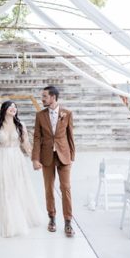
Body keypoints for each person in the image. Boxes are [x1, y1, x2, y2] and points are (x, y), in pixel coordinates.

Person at [0, 100, 41, 238]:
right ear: (4, 109)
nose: (13, 108)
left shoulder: (20, 125)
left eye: (15, 107)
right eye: (11, 106)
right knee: (5, 188)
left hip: (17, 159)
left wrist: (35, 160)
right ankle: (7, 221)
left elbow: (27, 145)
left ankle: (20, 217)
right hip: (2, 159)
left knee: (17, 187)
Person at [32, 85, 76, 238]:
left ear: (53, 97)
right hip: (46, 157)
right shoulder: (40, 115)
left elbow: (70, 136)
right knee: (49, 188)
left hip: (64, 156)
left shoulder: (67, 114)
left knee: (66, 188)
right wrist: (35, 159)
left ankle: (68, 221)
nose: (42, 99)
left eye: (44, 96)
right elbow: (37, 138)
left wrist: (72, 156)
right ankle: (52, 218)